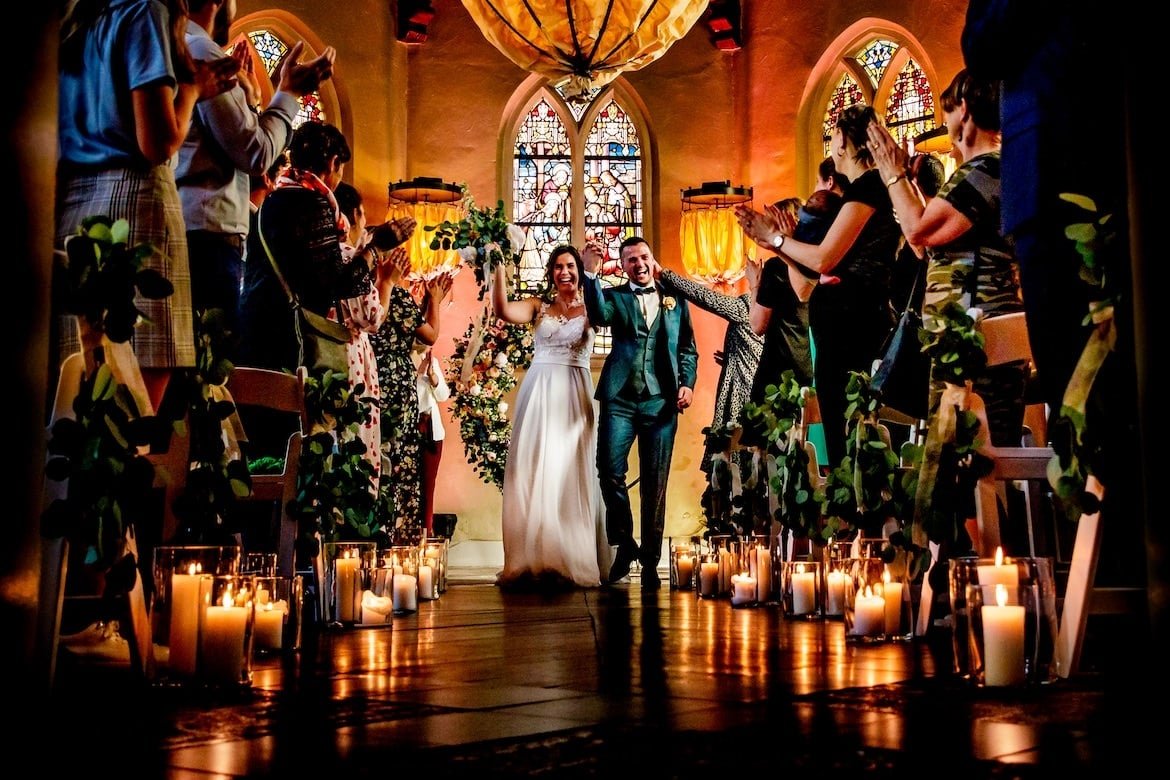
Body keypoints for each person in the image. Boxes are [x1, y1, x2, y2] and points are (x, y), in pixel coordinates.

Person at [55, 0, 239, 414]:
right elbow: (157, 143)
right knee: (135, 393)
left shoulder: (79, 19)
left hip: (71, 207)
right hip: (135, 202)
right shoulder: (144, 11)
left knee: (78, 382)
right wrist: (192, 89)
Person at [868, 69, 1027, 447]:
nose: (945, 121)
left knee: (973, 469)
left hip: (977, 345)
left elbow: (919, 231)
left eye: (948, 110)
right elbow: (926, 245)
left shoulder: (986, 169)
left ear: (966, 111)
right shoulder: (983, 171)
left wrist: (893, 176)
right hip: (966, 343)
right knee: (959, 471)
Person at [736, 105, 901, 467]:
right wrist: (784, 243)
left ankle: (863, 522)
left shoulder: (868, 189)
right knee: (845, 451)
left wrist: (777, 241)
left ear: (841, 140)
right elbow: (807, 284)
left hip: (853, 334)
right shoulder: (860, 193)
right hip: (839, 337)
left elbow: (825, 259)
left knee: (852, 453)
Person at [177, 0, 335, 350]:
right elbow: (256, 152)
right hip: (209, 235)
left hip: (190, 225)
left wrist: (249, 103)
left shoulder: (175, 46)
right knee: (211, 373)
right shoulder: (203, 50)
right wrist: (288, 95)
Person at [582, 237, 698, 589]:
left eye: (644, 257)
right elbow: (599, 316)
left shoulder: (673, 297)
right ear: (624, 265)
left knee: (655, 484)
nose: (640, 264)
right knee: (608, 471)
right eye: (631, 260)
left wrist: (687, 383)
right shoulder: (615, 297)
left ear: (652, 258)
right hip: (620, 399)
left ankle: (650, 561)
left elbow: (688, 348)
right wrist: (590, 274)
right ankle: (625, 542)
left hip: (661, 403)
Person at [492, 245, 610, 589]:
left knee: (567, 470)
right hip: (539, 390)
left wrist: (592, 276)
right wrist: (498, 267)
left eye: (570, 266)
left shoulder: (592, 304)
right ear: (551, 272)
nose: (565, 272)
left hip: (575, 390)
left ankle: (571, 554)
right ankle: (535, 558)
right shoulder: (536, 306)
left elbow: (603, 319)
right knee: (534, 468)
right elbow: (501, 310)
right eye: (558, 267)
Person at [333, 181, 416, 491]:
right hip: (348, 355)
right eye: (363, 216)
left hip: (331, 352)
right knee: (354, 441)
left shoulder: (324, 253)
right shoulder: (348, 258)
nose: (365, 224)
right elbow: (372, 317)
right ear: (352, 216)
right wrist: (387, 283)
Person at [370, 250, 450, 544]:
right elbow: (428, 335)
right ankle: (397, 537)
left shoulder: (361, 291)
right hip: (394, 379)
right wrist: (436, 303)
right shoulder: (398, 297)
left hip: (368, 373)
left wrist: (428, 301)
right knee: (400, 458)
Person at [413, 340, 450, 537]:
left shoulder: (431, 362)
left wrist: (433, 378)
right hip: (410, 430)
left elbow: (444, 395)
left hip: (432, 432)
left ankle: (426, 534)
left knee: (428, 487)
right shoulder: (399, 362)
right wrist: (417, 374)